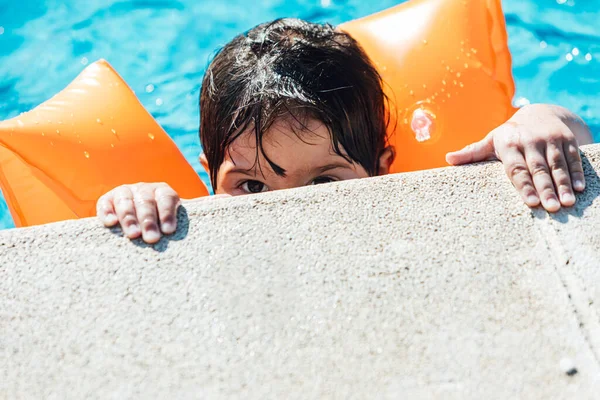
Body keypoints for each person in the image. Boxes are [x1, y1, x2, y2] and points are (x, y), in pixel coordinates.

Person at [96, 19, 593, 244]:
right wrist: (137, 202)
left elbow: (576, 129)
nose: (285, 212)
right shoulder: (201, 198)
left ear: (380, 168)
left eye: (323, 183)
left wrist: (541, 121)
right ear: (208, 179)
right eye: (251, 186)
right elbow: (145, 210)